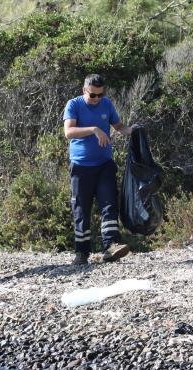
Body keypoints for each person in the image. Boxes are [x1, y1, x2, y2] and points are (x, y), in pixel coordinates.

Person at [63, 74, 134, 265]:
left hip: (104, 164)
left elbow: (118, 126)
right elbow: (68, 132)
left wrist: (133, 131)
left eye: (100, 95)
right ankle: (81, 252)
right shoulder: (74, 105)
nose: (96, 99)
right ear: (84, 90)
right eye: (92, 95)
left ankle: (111, 246)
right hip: (80, 166)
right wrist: (94, 129)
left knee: (109, 204)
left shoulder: (107, 104)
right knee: (81, 209)